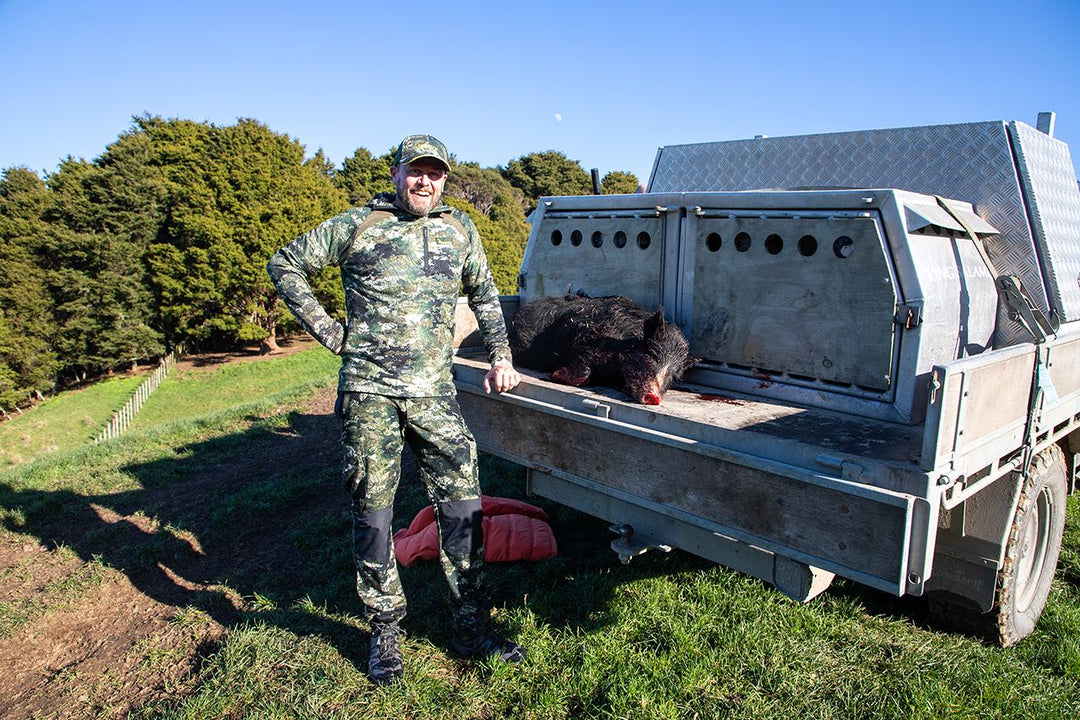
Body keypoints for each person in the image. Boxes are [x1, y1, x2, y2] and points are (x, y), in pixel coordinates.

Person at [267, 134, 524, 685]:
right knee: (375, 512)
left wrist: (501, 354)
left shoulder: (460, 230)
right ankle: (385, 628)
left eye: (435, 173)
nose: (425, 182)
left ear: (445, 180)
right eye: (416, 171)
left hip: (435, 393)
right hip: (369, 394)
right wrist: (333, 332)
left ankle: (470, 624)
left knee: (462, 509)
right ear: (397, 172)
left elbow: (484, 293)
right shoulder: (357, 224)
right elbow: (284, 264)